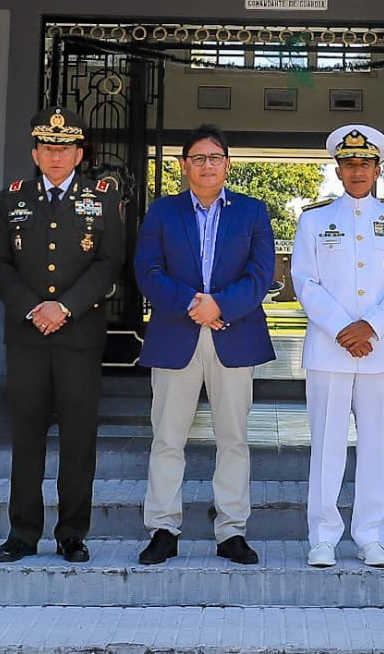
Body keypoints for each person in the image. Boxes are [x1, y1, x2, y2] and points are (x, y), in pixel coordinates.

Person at [0, 107, 124, 564]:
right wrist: (33, 307)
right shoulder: (13, 198)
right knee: (26, 436)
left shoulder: (102, 198)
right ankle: (22, 532)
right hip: (28, 335)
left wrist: (63, 307)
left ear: (80, 153)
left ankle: (71, 533)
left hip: (79, 335)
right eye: (48, 148)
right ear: (35, 152)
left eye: (65, 148)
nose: (56, 155)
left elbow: (109, 262)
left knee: (78, 438)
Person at [134, 123, 274, 566]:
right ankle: (162, 528)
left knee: (233, 439)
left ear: (228, 164)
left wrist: (220, 307)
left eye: (215, 158)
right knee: (167, 438)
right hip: (177, 334)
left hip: (233, 335)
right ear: (184, 166)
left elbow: (261, 275)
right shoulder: (162, 212)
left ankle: (231, 530)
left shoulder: (252, 212)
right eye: (198, 158)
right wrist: (193, 304)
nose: (207, 165)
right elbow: (148, 270)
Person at [290, 125, 384, 569]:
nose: (357, 171)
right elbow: (305, 281)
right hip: (330, 348)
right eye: (349, 164)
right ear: (338, 169)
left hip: (378, 350)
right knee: (326, 444)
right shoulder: (315, 219)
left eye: (365, 163)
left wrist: (372, 327)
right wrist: (344, 328)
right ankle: (323, 535)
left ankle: (371, 536)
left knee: (375, 445)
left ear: (379, 169)